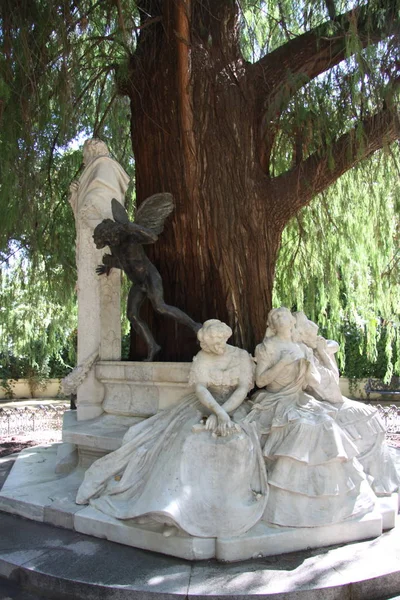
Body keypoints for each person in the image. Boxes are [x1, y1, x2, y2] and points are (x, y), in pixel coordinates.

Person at [76, 320, 267, 538]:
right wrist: (217, 412)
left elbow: (243, 388)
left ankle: (223, 510)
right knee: (186, 442)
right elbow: (202, 390)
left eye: (218, 341)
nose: (215, 347)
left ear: (225, 336)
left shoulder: (241, 356)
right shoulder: (203, 358)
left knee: (236, 443)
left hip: (234, 406)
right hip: (205, 406)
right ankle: (174, 510)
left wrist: (224, 414)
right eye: (209, 343)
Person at [245, 307, 376, 528]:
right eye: (276, 317)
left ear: (291, 323)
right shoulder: (266, 347)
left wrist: (310, 366)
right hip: (277, 401)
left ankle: (329, 500)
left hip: (299, 399)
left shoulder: (301, 348)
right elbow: (260, 381)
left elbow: (314, 381)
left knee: (326, 423)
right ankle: (286, 500)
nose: (281, 318)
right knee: (303, 426)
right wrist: (283, 364)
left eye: (284, 315)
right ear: (272, 325)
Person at [293, 311, 400, 496]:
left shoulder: (314, 353)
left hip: (330, 400)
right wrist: (322, 353)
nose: (317, 337)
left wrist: (323, 353)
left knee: (369, 417)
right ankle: (371, 479)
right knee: (366, 417)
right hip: (322, 403)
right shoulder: (305, 357)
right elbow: (330, 390)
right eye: (311, 334)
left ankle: (379, 480)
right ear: (301, 336)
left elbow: (333, 378)